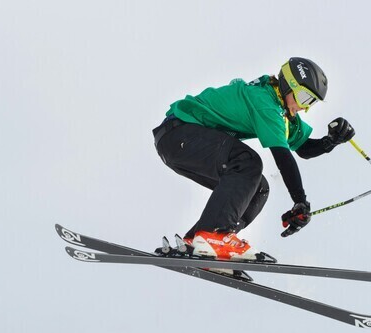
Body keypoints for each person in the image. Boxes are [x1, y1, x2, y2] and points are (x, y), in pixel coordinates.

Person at [152, 57, 355, 263]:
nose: (305, 107)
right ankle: (214, 235)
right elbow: (282, 157)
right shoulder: (265, 102)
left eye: (311, 102)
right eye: (304, 97)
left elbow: (303, 148)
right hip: (179, 134)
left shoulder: (282, 113)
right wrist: (300, 201)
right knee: (247, 162)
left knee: (258, 188)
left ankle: (198, 244)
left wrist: (330, 142)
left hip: (182, 144)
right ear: (289, 85)